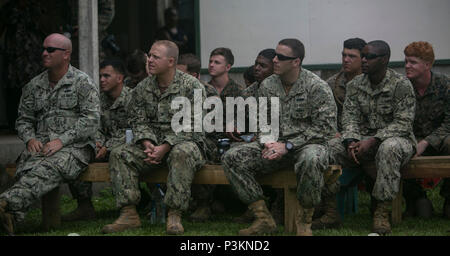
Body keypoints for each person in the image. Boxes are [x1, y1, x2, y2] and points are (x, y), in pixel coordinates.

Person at [222, 38, 338, 236]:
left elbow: (325, 128)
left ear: (296, 61)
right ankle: (263, 218)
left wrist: (289, 145)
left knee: (313, 158)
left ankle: (304, 222)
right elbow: (262, 121)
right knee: (232, 157)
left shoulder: (316, 87)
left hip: (307, 145)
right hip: (275, 146)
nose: (275, 60)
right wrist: (268, 142)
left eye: (281, 57)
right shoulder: (268, 85)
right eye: (275, 55)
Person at [101, 40, 207, 235]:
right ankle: (129, 214)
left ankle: (174, 215)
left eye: (155, 57)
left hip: (185, 143)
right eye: (149, 56)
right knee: (120, 153)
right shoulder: (142, 88)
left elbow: (194, 125)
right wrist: (147, 143)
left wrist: (165, 146)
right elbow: (137, 119)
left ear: (171, 61)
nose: (149, 60)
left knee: (182, 152)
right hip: (152, 146)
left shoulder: (192, 86)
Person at [0, 33, 100, 235]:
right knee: (26, 168)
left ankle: (5, 204)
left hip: (76, 147)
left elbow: (91, 120)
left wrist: (61, 141)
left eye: (51, 50)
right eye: (43, 49)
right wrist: (30, 138)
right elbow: (23, 119)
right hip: (42, 146)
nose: (44, 53)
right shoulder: (33, 86)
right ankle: (9, 214)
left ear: (66, 55)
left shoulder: (82, 83)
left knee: (50, 167)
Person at [328, 40, 416, 235]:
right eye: (364, 56)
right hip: (362, 140)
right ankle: (330, 210)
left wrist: (374, 140)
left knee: (389, 148)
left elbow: (403, 123)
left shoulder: (400, 85)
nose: (365, 60)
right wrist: (350, 141)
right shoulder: (355, 85)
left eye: (370, 57)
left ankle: (381, 212)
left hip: (397, 139)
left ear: (384, 59)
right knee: (330, 148)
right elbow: (349, 117)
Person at [62, 58, 131, 222]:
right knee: (76, 153)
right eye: (100, 76)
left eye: (106, 76)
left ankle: (134, 204)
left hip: (127, 148)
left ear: (120, 78)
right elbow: (94, 125)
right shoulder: (97, 99)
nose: (101, 80)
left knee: (122, 153)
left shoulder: (133, 99)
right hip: (102, 148)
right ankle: (84, 206)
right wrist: (97, 143)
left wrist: (108, 146)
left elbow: (135, 130)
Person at [312, 38, 367, 229]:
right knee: (321, 150)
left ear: (363, 59)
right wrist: (333, 132)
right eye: (344, 55)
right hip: (338, 140)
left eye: (352, 56)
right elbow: (321, 116)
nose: (346, 59)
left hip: (366, 141)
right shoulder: (330, 84)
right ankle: (326, 209)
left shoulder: (370, 83)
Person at [187, 48, 246, 222]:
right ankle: (203, 203)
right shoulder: (202, 88)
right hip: (207, 137)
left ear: (228, 67)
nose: (211, 65)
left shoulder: (238, 91)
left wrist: (235, 126)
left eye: (217, 62)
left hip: (231, 140)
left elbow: (245, 120)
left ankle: (224, 199)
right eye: (211, 61)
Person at [402, 41, 450, 219]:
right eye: (406, 61)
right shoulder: (402, 88)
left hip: (439, 140)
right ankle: (416, 197)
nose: (407, 66)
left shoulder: (445, 85)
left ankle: (449, 198)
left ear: (428, 64)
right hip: (411, 139)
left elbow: (449, 122)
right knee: (395, 149)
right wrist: (413, 142)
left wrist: (427, 141)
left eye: (412, 62)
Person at [0, 0, 46, 131]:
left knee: (35, 89)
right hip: (14, 58)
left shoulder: (36, 7)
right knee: (13, 91)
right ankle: (14, 124)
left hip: (34, 58)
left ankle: (36, 124)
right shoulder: (9, 8)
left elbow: (45, 27)